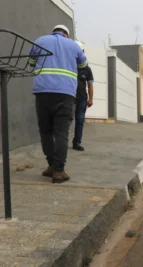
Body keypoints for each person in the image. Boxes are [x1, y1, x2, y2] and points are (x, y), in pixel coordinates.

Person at [28, 25, 88, 183]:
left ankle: (51, 165)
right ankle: (59, 170)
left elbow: (31, 62)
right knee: (61, 133)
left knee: (46, 132)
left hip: (43, 92)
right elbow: (83, 65)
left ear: (53, 31)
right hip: (65, 94)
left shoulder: (40, 41)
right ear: (66, 35)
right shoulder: (73, 45)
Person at [72, 41, 94, 151]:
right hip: (69, 97)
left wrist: (90, 99)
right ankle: (61, 142)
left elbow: (90, 85)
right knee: (65, 120)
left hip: (81, 98)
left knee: (80, 120)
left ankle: (77, 142)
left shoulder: (87, 69)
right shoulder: (69, 66)